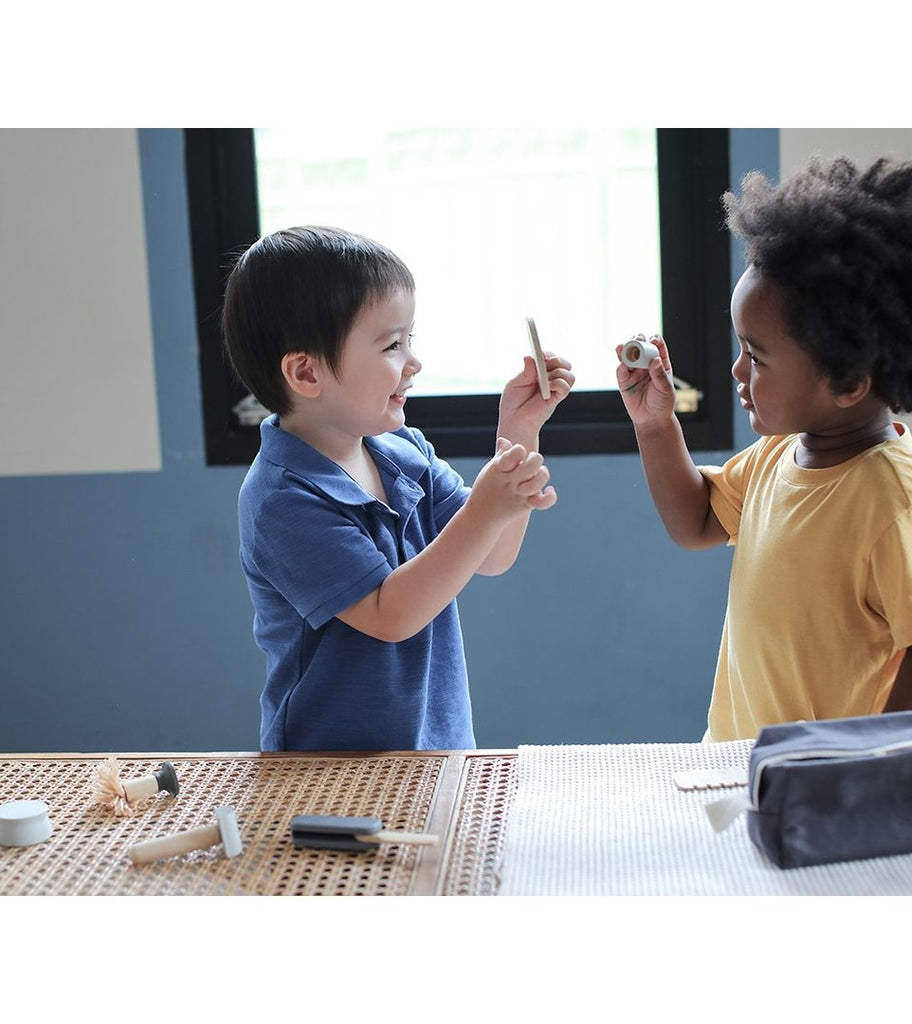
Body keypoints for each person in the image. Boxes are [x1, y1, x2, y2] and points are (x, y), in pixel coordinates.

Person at [223, 225, 574, 751]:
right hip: (328, 770)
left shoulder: (403, 452)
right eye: (391, 345)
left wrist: (518, 435)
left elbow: (493, 555)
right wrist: (484, 507)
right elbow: (392, 615)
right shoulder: (283, 499)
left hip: (435, 750)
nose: (413, 362)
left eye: (411, 340)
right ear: (305, 372)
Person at [617, 155, 912, 742]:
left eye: (758, 356)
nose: (736, 369)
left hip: (826, 793)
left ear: (848, 382)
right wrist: (655, 427)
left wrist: (865, 768)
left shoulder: (890, 500)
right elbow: (696, 520)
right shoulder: (780, 457)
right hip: (740, 763)